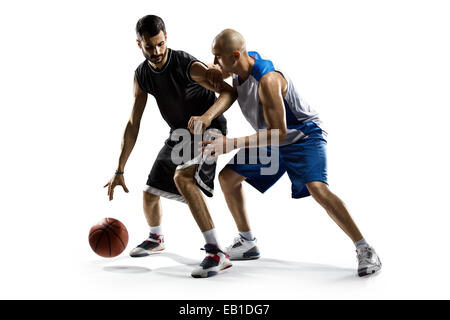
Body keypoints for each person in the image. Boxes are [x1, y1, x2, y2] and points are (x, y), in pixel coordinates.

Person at [196, 29, 382, 277]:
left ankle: (364, 248)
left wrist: (231, 143)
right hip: (272, 137)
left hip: (302, 136)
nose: (215, 62)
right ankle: (248, 242)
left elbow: (280, 133)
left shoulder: (268, 81)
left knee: (317, 188)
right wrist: (211, 68)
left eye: (217, 57)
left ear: (235, 55)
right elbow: (221, 70)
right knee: (228, 179)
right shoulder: (240, 67)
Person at [104, 16, 237, 278]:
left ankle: (216, 252)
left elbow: (229, 93)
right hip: (179, 134)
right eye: (149, 47)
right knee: (150, 192)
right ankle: (156, 239)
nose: (156, 52)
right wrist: (119, 169)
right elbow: (133, 123)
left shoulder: (187, 65)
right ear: (139, 44)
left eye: (160, 44)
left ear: (167, 38)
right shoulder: (142, 75)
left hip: (209, 130)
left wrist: (207, 117)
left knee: (183, 179)